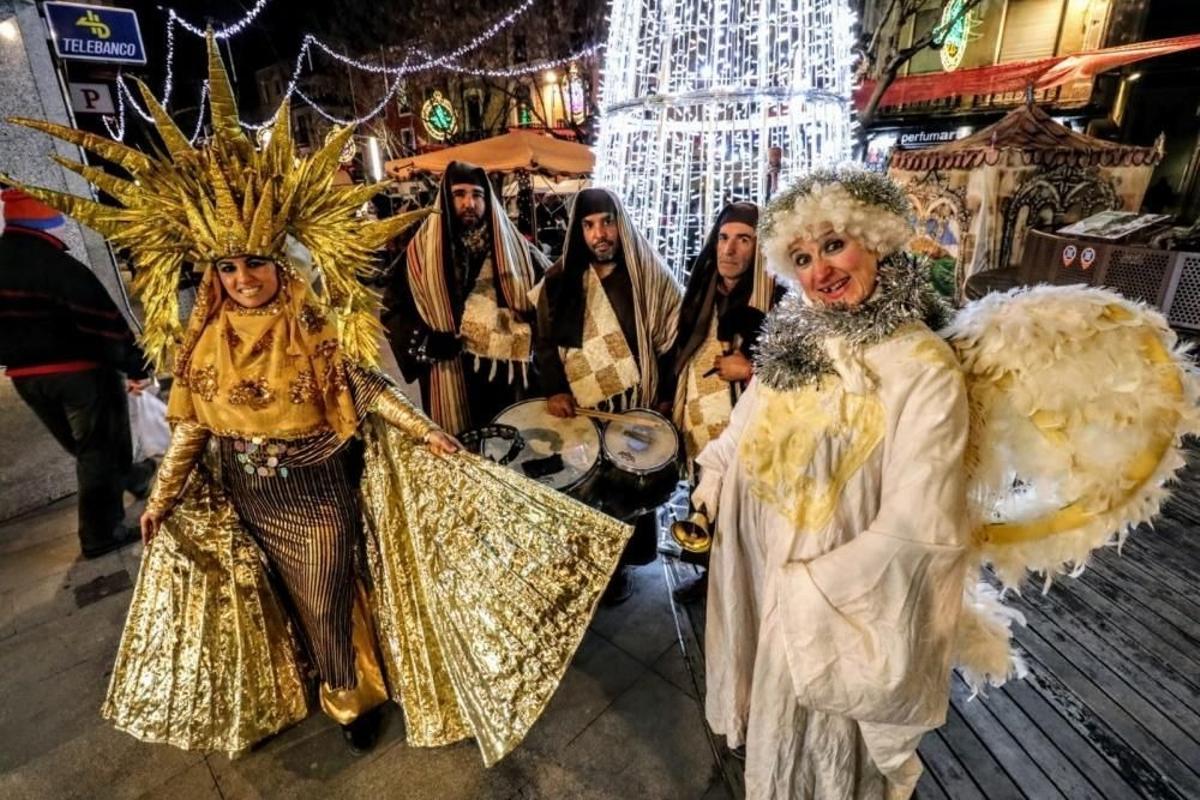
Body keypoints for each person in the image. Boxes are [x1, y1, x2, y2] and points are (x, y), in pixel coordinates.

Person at [6, 36, 629, 764]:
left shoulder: (313, 327)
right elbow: (192, 428)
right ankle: (322, 677)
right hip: (246, 491)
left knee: (329, 588)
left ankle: (348, 695)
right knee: (283, 600)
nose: (243, 280)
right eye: (229, 267)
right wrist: (161, 499)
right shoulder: (203, 341)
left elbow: (364, 388)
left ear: (280, 264)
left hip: (318, 484)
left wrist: (426, 432)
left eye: (255, 265)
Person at [692, 166, 968, 798]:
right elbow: (743, 431)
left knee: (823, 761)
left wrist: (811, 591)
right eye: (802, 257)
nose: (821, 270)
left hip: (831, 606)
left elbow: (919, 526)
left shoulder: (922, 367)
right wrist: (712, 484)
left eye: (834, 245)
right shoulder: (795, 342)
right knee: (772, 730)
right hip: (761, 574)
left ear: (874, 239)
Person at [532, 188, 682, 603]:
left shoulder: (649, 278)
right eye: (589, 224)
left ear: (621, 223)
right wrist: (555, 389)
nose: (600, 233)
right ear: (578, 231)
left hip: (633, 408)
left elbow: (674, 343)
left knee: (627, 492)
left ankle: (619, 570)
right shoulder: (559, 280)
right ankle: (586, 567)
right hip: (580, 410)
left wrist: (665, 397)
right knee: (581, 491)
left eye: (607, 222)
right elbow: (543, 342)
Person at [0, 187, 154, 558]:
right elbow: (102, 322)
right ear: (46, 221)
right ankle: (100, 534)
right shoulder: (57, 266)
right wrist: (135, 366)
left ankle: (133, 476)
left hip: (26, 379)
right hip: (80, 375)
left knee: (87, 448)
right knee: (98, 449)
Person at [666, 202, 783, 602]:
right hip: (700, 420)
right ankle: (709, 577)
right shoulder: (701, 293)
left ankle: (746, 588)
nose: (729, 250)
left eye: (743, 240)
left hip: (746, 428)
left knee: (745, 511)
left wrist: (750, 369)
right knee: (704, 498)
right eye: (724, 238)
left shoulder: (777, 300)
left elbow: (797, 371)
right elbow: (682, 349)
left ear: (760, 248)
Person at [383, 161, 547, 435]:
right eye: (459, 194)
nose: (469, 202)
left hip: (506, 379)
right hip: (449, 374)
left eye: (477, 195)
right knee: (461, 452)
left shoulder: (516, 247)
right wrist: (426, 342)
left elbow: (550, 293)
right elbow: (391, 310)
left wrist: (531, 318)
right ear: (446, 198)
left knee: (509, 449)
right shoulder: (420, 253)